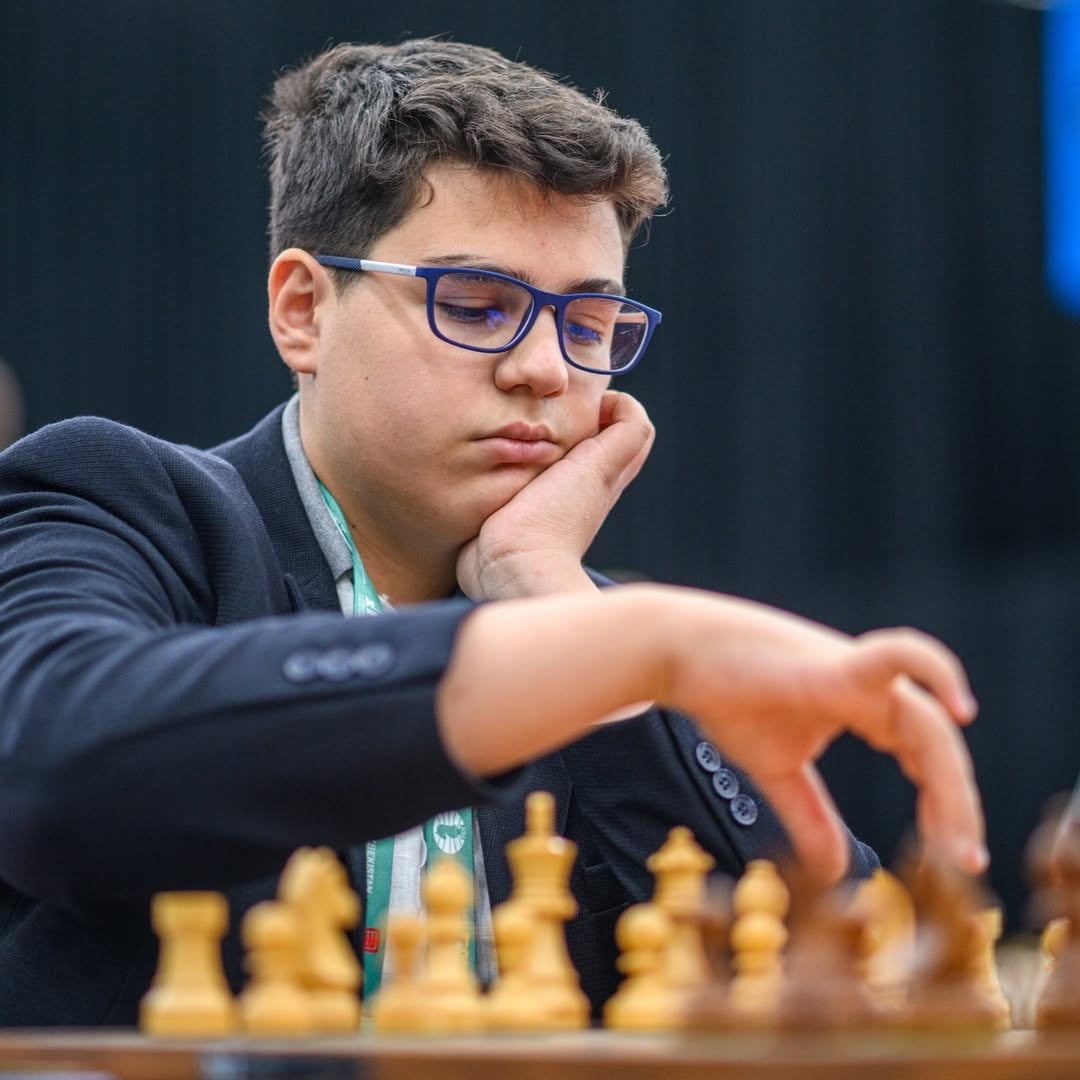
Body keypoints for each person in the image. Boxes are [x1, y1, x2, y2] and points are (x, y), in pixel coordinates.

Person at [0, 38, 984, 1026]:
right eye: (476, 307)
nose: (546, 370)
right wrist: (616, 648)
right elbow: (52, 772)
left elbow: (826, 981)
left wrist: (553, 600)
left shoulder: (592, 631)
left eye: (588, 325)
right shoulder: (124, 503)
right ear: (303, 311)